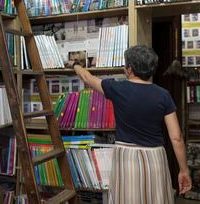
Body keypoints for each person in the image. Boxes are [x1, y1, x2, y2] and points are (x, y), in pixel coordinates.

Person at [67, 45, 192, 204]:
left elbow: (87, 77)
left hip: (126, 158)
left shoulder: (117, 88)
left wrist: (75, 65)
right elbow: (177, 138)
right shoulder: (163, 95)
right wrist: (184, 170)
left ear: (130, 68)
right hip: (156, 157)